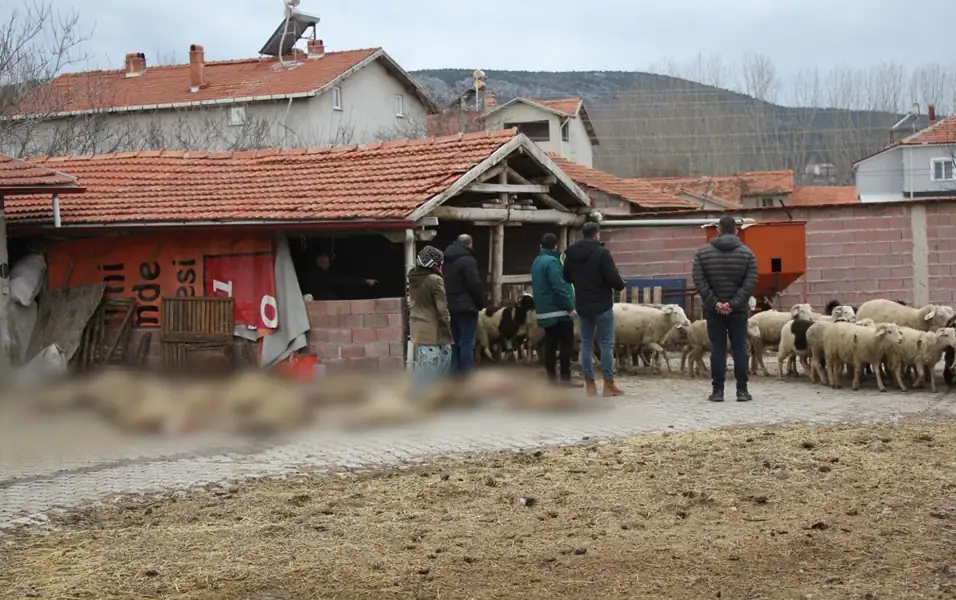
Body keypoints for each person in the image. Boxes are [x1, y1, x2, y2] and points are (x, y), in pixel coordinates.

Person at [692, 214, 759, 403]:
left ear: (718, 230)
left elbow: (700, 280)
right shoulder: (747, 254)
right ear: (736, 231)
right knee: (740, 348)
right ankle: (742, 391)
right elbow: (751, 281)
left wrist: (715, 303)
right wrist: (734, 303)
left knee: (718, 349)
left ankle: (718, 391)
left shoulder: (702, 254)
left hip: (714, 311)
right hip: (738, 311)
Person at [563, 221, 626, 397]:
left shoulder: (572, 254)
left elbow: (566, 277)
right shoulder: (602, 253)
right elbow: (613, 277)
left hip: (583, 304)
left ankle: (590, 385)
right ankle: (608, 384)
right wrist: (621, 285)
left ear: (583, 234)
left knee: (586, 344)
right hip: (602, 304)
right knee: (606, 343)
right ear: (597, 234)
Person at [531, 233, 580, 387]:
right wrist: (569, 307)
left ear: (540, 246)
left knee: (550, 345)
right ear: (556, 246)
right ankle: (565, 378)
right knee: (566, 344)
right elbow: (559, 287)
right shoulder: (552, 262)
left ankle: (551, 378)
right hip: (559, 312)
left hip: (544, 311)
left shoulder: (537, 262)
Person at [407, 246, 453, 392]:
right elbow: (442, 308)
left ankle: (420, 394)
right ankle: (430, 397)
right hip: (433, 329)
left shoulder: (413, 277)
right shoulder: (435, 280)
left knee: (424, 365)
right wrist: (447, 323)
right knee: (437, 365)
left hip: (417, 326)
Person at [442, 234, 484, 376]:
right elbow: (474, 284)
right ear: (470, 244)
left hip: (450, 306)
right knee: (467, 343)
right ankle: (466, 377)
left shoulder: (446, 260)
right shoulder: (468, 260)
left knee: (454, 343)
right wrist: (480, 304)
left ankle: (453, 376)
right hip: (467, 308)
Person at [307, 250, 377, 300]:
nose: (328, 265)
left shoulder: (316, 274)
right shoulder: (321, 275)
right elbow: (341, 280)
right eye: (326, 263)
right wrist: (364, 281)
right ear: (320, 263)